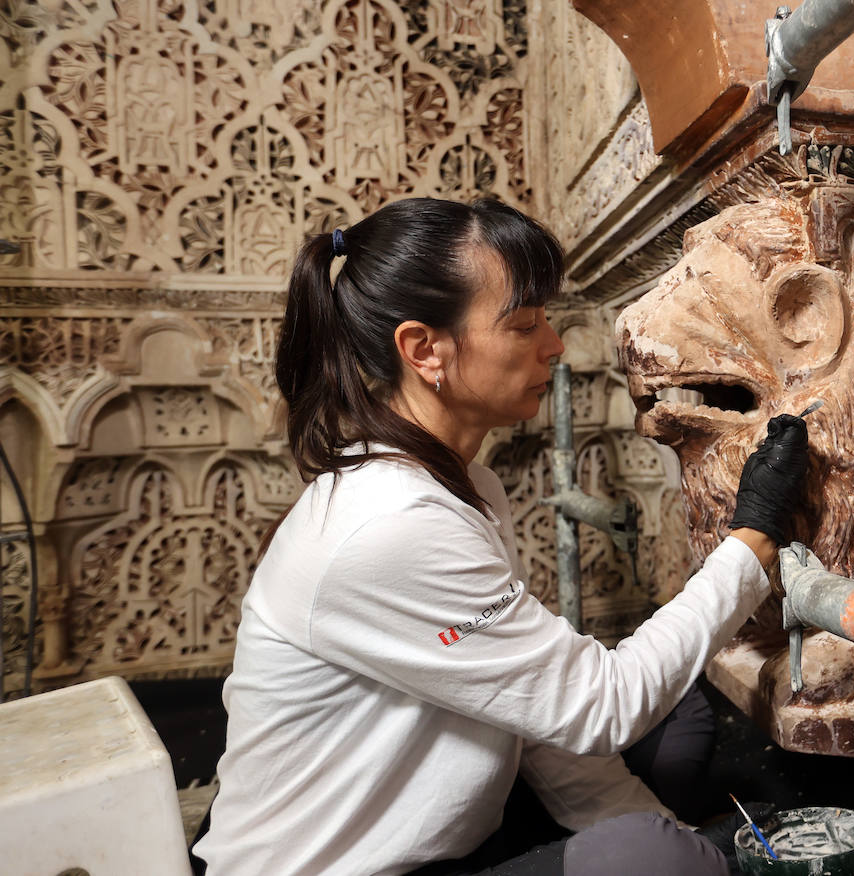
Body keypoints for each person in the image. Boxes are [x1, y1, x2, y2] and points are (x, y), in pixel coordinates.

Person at [192, 197, 809, 876]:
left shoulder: (463, 484)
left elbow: (534, 711)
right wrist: (751, 540)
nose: (553, 345)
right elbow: (596, 708)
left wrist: (667, 827)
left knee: (678, 722)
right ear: (425, 349)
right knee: (644, 854)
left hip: (456, 826)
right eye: (523, 325)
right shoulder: (391, 524)